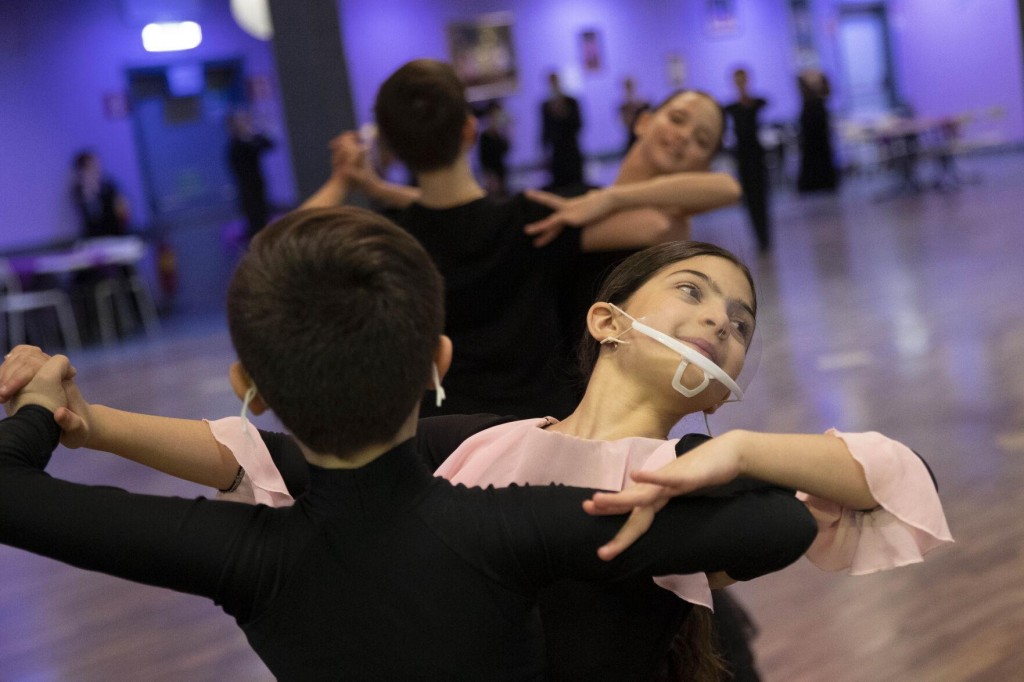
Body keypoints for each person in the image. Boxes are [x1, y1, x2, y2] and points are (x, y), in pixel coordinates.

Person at [3, 240, 953, 681]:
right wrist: (94, 423)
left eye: (740, 323)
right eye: (695, 292)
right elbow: (266, 456)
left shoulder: (699, 478)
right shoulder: (486, 446)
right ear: (607, 321)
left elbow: (891, 475)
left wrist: (736, 449)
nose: (719, 321)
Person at [302, 59, 740, 420]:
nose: (682, 136)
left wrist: (354, 182)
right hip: (542, 418)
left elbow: (287, 246)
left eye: (701, 137)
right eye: (677, 119)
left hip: (446, 423)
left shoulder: (397, 237)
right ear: (470, 132)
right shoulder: (543, 217)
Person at [724, 68, 772, 253]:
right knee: (750, 200)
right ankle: (759, 239)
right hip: (743, 157)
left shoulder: (756, 102)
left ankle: (765, 238)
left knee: (762, 197)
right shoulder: (732, 108)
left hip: (756, 155)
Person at [226, 109, 275, 238]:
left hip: (257, 189)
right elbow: (254, 147)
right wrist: (251, 134)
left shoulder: (248, 141)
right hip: (248, 192)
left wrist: (255, 132)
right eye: (242, 121)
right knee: (257, 226)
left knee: (263, 222)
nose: (246, 124)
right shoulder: (236, 146)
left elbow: (269, 144)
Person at [796, 69, 839, 193]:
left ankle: (825, 181)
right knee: (811, 152)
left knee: (823, 150)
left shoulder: (822, 77)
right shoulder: (801, 79)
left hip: (820, 120)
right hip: (809, 120)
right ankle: (813, 183)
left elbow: (827, 92)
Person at [540, 72, 585, 190]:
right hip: (557, 155)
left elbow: (578, 125)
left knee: (577, 187)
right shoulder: (546, 106)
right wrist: (544, 154)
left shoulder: (571, 102)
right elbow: (544, 132)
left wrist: (563, 113)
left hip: (572, 152)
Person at [71, 150, 130, 239]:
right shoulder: (80, 192)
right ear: (82, 171)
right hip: (94, 240)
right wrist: (89, 192)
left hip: (116, 236)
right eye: (91, 167)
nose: (97, 170)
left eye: (97, 165)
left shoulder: (109, 187)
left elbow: (122, 213)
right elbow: (92, 218)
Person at [477, 100, 511, 197]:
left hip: (501, 171)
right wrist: (489, 176)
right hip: (490, 174)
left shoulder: (500, 135)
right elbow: (483, 158)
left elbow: (506, 150)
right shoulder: (485, 136)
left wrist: (507, 131)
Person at [617, 76, 651, 152]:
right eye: (627, 85)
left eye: (630, 85)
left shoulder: (642, 102)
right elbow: (623, 121)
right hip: (631, 135)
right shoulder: (624, 105)